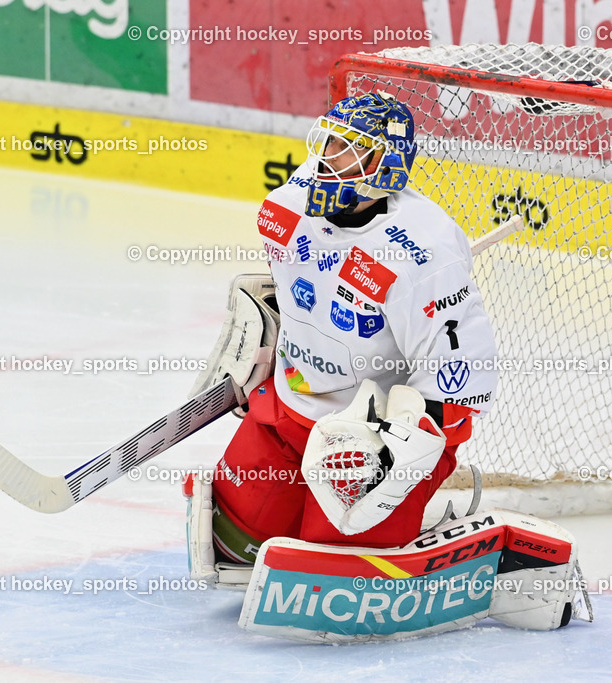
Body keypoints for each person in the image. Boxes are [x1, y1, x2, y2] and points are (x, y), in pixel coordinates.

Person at [190, 92, 499, 571]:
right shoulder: (287, 207)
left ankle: (426, 518)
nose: (329, 160)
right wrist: (266, 343)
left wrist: (401, 449)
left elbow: (461, 367)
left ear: (388, 167)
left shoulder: (425, 252)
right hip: (291, 405)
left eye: (350, 150)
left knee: (333, 568)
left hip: (368, 435)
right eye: (330, 143)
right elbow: (294, 288)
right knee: (233, 544)